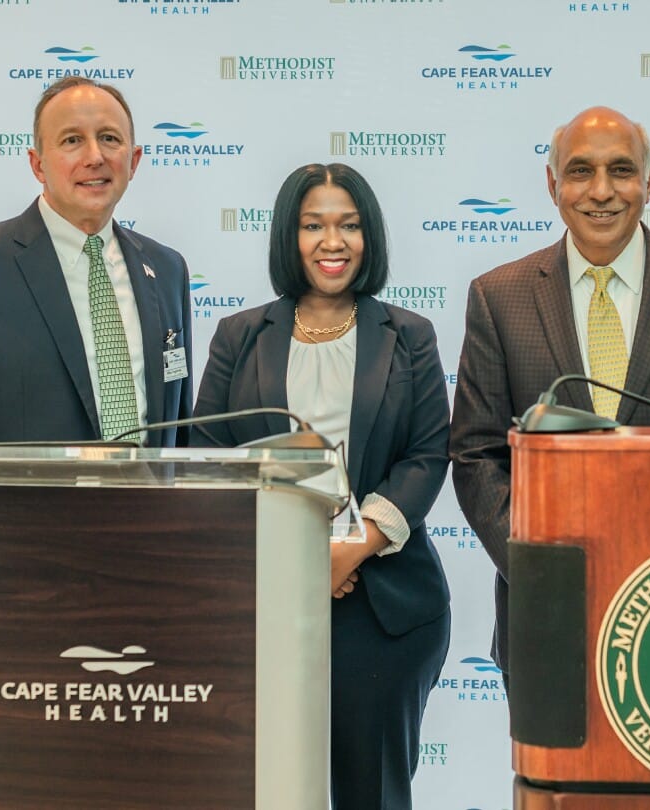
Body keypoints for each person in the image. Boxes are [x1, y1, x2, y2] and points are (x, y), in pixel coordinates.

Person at [449, 106, 650, 681]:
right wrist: (541, 566)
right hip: (546, 614)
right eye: (579, 171)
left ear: (649, 181)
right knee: (550, 777)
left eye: (620, 170)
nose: (600, 191)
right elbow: (476, 456)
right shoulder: (499, 297)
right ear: (552, 184)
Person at [191, 163, 451, 810]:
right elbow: (207, 457)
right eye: (313, 225)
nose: (332, 242)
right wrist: (294, 559)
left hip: (383, 604)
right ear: (289, 235)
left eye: (349, 225)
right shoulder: (239, 335)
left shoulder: (410, 336)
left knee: (374, 795)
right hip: (263, 601)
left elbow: (426, 454)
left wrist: (351, 547)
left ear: (370, 237)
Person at [0, 76, 194, 612]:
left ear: (137, 158)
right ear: (37, 162)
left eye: (110, 138)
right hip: (16, 583)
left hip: (150, 570)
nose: (95, 157)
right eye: (72, 140)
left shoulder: (165, 270)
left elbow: (180, 433)